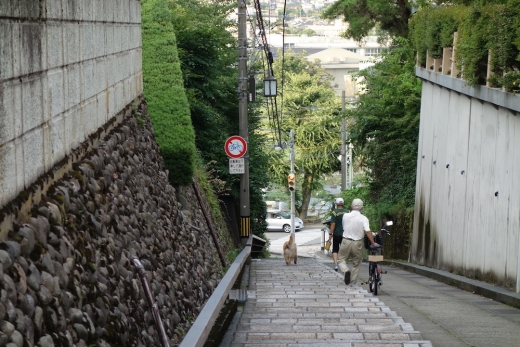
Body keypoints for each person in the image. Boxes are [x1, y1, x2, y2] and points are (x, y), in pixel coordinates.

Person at [337, 198, 378, 285]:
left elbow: (345, 227)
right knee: (356, 264)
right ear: (362, 208)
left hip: (346, 241)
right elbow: (367, 231)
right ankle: (352, 283)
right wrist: (373, 242)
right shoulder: (364, 218)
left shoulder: (345, 216)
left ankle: (345, 270)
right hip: (357, 243)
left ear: (351, 207)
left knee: (341, 260)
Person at [328, 198, 349, 271]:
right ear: (343, 204)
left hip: (337, 233)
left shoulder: (334, 212)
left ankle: (336, 265)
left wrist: (330, 233)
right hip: (346, 234)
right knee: (344, 250)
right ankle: (344, 264)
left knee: (335, 249)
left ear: (336, 204)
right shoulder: (347, 212)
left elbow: (333, 224)